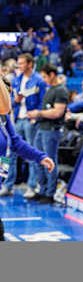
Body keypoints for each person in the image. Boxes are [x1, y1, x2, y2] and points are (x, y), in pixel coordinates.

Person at [0, 77, 54, 198]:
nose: (9, 100)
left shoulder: (3, 117)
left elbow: (14, 141)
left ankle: (6, 186)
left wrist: (39, 157)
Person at [5, 53, 46, 199]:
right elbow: (8, 102)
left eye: (22, 63)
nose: (19, 66)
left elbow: (43, 101)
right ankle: (7, 185)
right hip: (17, 119)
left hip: (30, 121)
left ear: (30, 64)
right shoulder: (16, 80)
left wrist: (36, 117)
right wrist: (15, 100)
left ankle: (31, 186)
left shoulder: (39, 81)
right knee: (11, 153)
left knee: (31, 153)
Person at [27, 64, 68, 203]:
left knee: (50, 160)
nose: (43, 79)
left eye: (45, 76)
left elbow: (57, 112)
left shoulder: (61, 90)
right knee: (38, 159)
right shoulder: (49, 89)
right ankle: (42, 189)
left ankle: (50, 193)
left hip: (52, 130)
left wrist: (38, 113)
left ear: (52, 75)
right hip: (42, 127)